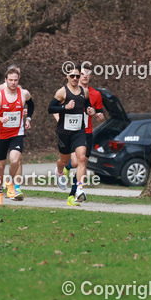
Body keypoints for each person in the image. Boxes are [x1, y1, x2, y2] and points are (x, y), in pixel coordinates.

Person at [0, 66, 33, 205]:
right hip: (0, 133)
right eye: (10, 80)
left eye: (15, 80)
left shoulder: (23, 93)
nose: (13, 82)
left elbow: (31, 105)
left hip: (17, 133)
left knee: (16, 160)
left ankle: (10, 183)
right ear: (6, 80)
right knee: (0, 164)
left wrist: (27, 117)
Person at [49, 65, 94, 206]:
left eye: (77, 76)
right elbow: (50, 108)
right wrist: (64, 107)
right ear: (67, 77)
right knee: (64, 160)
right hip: (64, 132)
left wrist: (90, 110)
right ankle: (59, 170)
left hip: (79, 131)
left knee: (81, 159)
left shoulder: (84, 92)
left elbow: (87, 106)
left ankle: (80, 189)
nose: (75, 78)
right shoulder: (62, 92)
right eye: (72, 76)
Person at [74, 62, 105, 201]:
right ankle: (63, 167)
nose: (85, 76)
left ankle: (79, 190)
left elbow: (100, 114)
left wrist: (99, 116)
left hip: (86, 131)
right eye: (82, 73)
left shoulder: (96, 94)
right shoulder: (70, 91)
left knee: (83, 161)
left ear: (90, 76)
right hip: (71, 130)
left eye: (87, 73)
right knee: (75, 162)